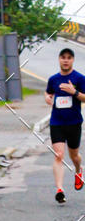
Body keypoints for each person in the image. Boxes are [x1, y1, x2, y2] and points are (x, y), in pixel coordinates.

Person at [45, 46, 85, 203]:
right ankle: (60, 190)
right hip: (57, 122)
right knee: (59, 155)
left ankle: (78, 170)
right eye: (63, 57)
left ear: (72, 60)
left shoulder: (79, 78)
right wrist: (47, 97)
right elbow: (48, 92)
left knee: (74, 155)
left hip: (74, 122)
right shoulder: (53, 79)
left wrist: (74, 92)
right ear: (59, 60)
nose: (66, 60)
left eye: (69, 58)